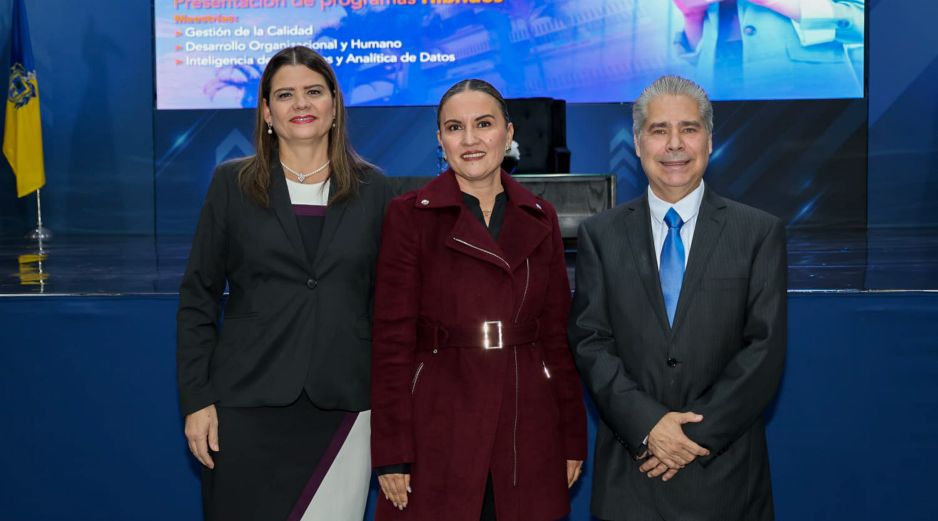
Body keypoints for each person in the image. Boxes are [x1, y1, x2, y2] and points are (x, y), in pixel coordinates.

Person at [176, 45, 392, 521]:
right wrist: (197, 400)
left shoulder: (375, 188)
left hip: (343, 405)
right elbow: (197, 298)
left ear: (334, 105)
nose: (301, 104)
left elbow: (387, 306)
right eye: (285, 94)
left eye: (313, 92)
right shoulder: (231, 184)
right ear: (267, 112)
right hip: (245, 405)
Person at [568, 75, 787, 521]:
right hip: (632, 474)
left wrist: (687, 439)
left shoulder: (758, 233)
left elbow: (763, 352)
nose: (674, 144)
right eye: (659, 130)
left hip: (726, 477)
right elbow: (591, 344)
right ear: (637, 142)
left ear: (709, 140)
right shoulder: (600, 236)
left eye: (689, 129)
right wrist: (649, 427)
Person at [370, 79, 587, 521]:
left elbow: (557, 339)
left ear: (508, 134)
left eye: (484, 124)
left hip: (526, 423)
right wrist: (392, 450)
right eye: (455, 127)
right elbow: (391, 342)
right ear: (440, 140)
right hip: (437, 420)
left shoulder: (540, 216)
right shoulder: (409, 215)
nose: (470, 139)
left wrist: (571, 437)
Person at [673, 0, 864, 99]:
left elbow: (863, 20)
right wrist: (692, 15)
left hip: (811, 96)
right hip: (718, 93)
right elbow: (700, 56)